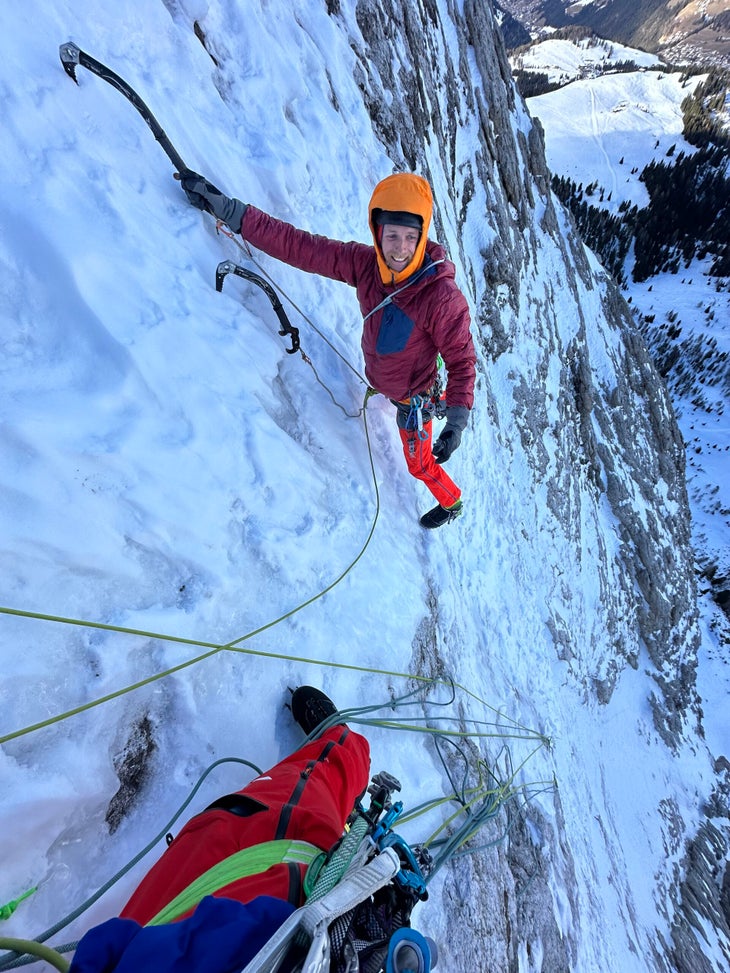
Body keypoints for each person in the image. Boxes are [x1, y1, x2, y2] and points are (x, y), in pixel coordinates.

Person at [178, 170, 476, 530]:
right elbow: (301, 246)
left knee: (419, 464)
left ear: (422, 236)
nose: (399, 247)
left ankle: (452, 501)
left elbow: (461, 360)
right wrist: (232, 212)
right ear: (377, 231)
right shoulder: (366, 265)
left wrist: (456, 424)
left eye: (410, 237)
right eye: (392, 235)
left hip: (414, 400)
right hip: (393, 382)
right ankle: (394, 396)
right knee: (393, 389)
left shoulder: (441, 298)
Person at [68, 687, 436, 973]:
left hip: (259, 874)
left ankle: (339, 743)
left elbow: (106, 948)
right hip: (164, 917)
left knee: (323, 782)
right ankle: (342, 750)